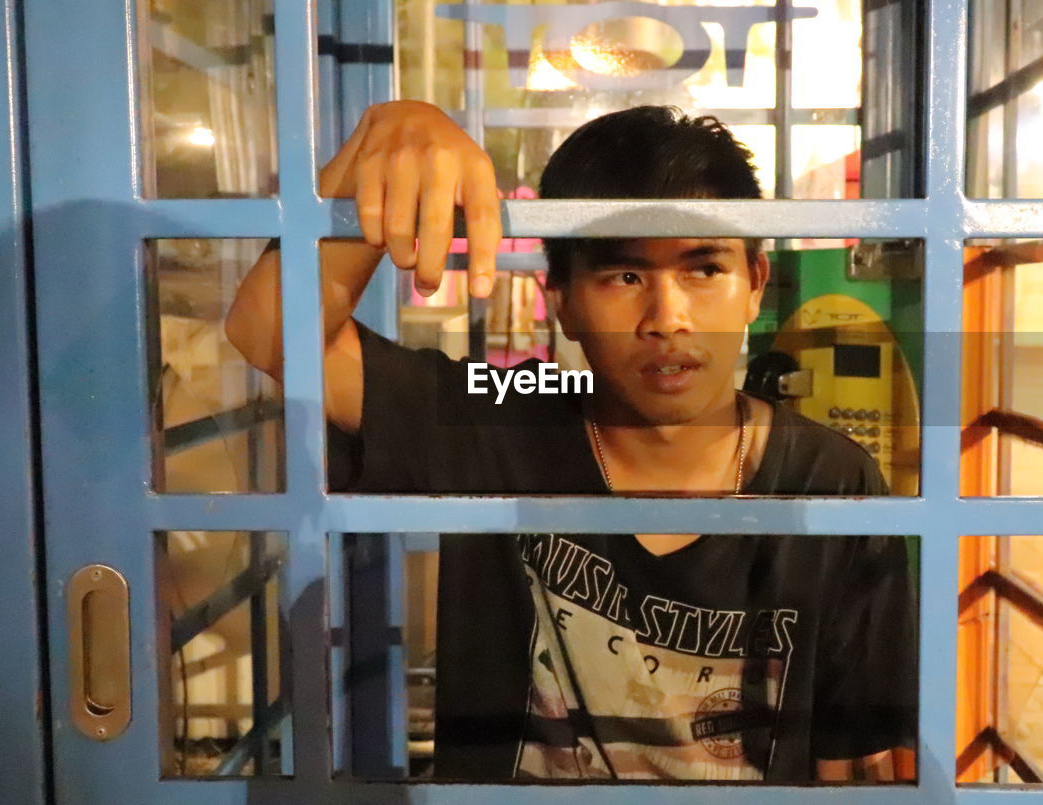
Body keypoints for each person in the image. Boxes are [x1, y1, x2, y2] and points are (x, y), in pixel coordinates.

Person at [226, 100, 916, 782]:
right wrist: (386, 135)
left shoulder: (832, 478)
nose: (666, 318)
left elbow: (852, 764)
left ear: (754, 286)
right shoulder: (507, 417)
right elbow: (268, 331)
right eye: (624, 275)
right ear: (561, 298)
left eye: (703, 269)